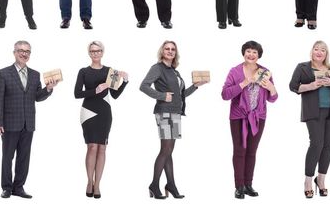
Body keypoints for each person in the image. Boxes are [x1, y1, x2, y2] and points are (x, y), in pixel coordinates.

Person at [141, 40, 206, 199]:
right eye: (167, 49)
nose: (170, 51)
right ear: (162, 51)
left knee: (169, 150)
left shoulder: (174, 71)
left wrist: (196, 86)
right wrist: (162, 96)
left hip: (176, 113)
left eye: (173, 49)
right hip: (164, 112)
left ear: (175, 53)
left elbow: (180, 95)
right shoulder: (157, 68)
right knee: (165, 149)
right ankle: (154, 185)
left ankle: (171, 184)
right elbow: (144, 86)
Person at [0, 40, 57, 199]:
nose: (24, 53)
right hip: (9, 123)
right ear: (14, 52)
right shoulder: (3, 73)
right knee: (7, 157)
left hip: (28, 123)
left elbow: (37, 97)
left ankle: (19, 187)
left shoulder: (35, 75)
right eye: (21, 50)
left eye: (27, 51)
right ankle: (7, 187)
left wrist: (48, 89)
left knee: (24, 157)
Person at [288, 40, 330, 198]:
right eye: (316, 49)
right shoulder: (302, 67)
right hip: (313, 111)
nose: (319, 52)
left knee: (328, 146)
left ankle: (321, 180)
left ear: (327, 54)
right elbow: (293, 86)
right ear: (312, 51)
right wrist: (311, 86)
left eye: (323, 50)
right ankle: (307, 181)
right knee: (316, 144)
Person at [222, 40, 278, 198]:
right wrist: (244, 83)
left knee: (252, 151)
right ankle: (239, 186)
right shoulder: (235, 71)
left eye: (254, 52)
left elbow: (273, 98)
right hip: (239, 116)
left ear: (259, 55)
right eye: (248, 51)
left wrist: (271, 88)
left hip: (259, 117)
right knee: (240, 150)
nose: (251, 54)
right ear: (243, 53)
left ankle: (248, 185)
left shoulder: (265, 72)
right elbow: (225, 95)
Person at [74, 41, 128, 199]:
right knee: (91, 147)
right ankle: (89, 182)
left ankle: (97, 184)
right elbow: (77, 94)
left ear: (102, 52)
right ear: (89, 53)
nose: (95, 53)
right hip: (88, 111)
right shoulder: (83, 71)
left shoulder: (110, 71)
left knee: (102, 148)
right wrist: (94, 90)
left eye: (98, 51)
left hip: (104, 111)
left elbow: (115, 95)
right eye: (92, 51)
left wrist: (124, 81)